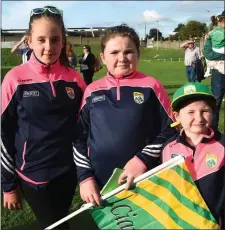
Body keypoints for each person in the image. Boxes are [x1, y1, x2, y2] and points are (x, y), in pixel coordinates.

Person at [1, 6, 86, 229]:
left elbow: (86, 124)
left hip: (68, 173)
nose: (48, 47)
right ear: (29, 41)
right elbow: (3, 133)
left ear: (63, 41)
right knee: (56, 225)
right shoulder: (15, 79)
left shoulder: (74, 79)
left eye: (55, 40)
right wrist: (8, 185)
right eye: (41, 40)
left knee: (58, 220)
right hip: (33, 176)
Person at [74, 24, 177, 206]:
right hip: (100, 184)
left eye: (128, 51)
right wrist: (85, 178)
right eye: (114, 53)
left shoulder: (152, 86)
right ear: (103, 57)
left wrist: (142, 160)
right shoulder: (92, 91)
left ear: (138, 54)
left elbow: (171, 129)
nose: (122, 58)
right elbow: (79, 138)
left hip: (144, 179)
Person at [162, 82, 224, 228]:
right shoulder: (168, 148)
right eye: (191, 112)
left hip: (214, 222)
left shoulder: (222, 145)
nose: (199, 118)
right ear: (177, 116)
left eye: (205, 111)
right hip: (181, 221)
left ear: (213, 113)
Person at [204, 10, 225, 130]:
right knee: (216, 101)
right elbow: (209, 54)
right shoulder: (211, 35)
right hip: (219, 72)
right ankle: (213, 130)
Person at [204, 12, 225, 78]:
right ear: (220, 23)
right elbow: (208, 54)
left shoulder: (212, 32)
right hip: (219, 52)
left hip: (216, 50)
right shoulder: (220, 32)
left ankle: (208, 70)